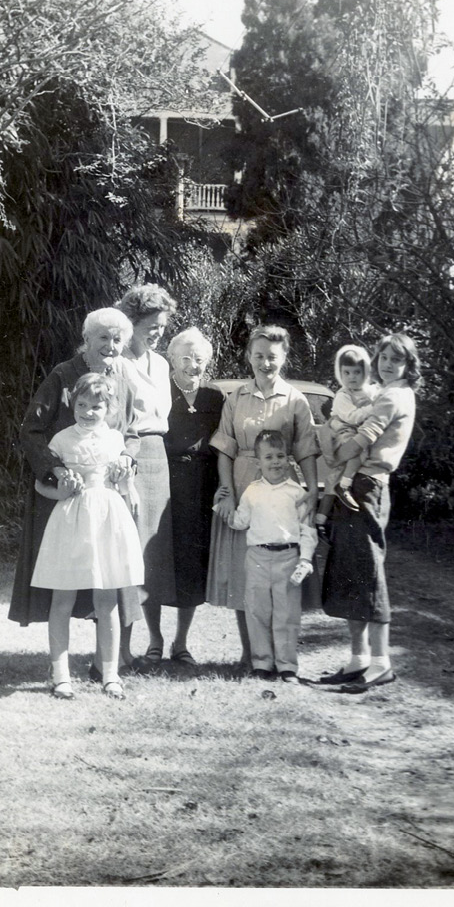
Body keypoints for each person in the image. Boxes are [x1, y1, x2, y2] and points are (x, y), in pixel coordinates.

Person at [8, 307, 143, 636]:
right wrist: (54, 469)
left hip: (105, 496)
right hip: (61, 493)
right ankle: (62, 661)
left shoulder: (123, 382)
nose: (110, 345)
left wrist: (126, 456)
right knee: (61, 578)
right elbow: (31, 429)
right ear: (85, 339)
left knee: (108, 576)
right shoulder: (63, 375)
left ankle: (109, 659)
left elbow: (132, 433)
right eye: (103, 338)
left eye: (117, 339)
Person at [207, 324, 319, 666]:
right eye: (258, 356)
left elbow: (305, 450)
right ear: (249, 357)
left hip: (281, 493)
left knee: (280, 574)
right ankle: (251, 653)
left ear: (283, 357)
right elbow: (224, 448)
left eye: (272, 356)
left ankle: (280, 654)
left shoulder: (295, 399)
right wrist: (226, 494)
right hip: (244, 489)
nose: (265, 363)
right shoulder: (236, 398)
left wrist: (312, 491)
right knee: (247, 572)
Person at [319, 330, 421, 693]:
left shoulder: (394, 396)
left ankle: (381, 664)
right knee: (351, 569)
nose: (388, 365)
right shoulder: (385, 393)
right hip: (358, 484)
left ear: (409, 365)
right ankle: (359, 659)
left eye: (397, 359)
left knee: (368, 571)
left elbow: (362, 440)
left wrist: (332, 446)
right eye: (384, 358)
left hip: (368, 485)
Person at [31, 374, 144, 700]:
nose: (88, 412)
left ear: (109, 408)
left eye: (96, 406)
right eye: (82, 405)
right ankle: (61, 675)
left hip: (107, 518)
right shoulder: (61, 440)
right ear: (72, 403)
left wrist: (125, 481)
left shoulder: (115, 442)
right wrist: (61, 489)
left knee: (106, 600)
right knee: (62, 599)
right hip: (71, 518)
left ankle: (111, 674)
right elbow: (42, 485)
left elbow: (123, 488)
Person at [219, 430, 317, 682]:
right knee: (257, 611)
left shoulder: (296, 493)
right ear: (258, 462)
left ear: (288, 460)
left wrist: (305, 559)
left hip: (288, 558)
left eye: (280, 456)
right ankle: (261, 663)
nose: (275, 462)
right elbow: (240, 522)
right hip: (257, 559)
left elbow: (307, 529)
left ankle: (287, 666)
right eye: (269, 457)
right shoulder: (252, 491)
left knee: (286, 615)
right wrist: (221, 505)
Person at [116, 283, 177, 671]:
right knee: (126, 553)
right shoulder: (118, 361)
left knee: (152, 554)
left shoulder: (162, 363)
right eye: (150, 325)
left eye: (162, 326)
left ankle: (154, 641)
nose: (156, 332)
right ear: (132, 322)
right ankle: (120, 648)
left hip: (159, 459)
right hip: (130, 455)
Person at [155, 328, 224, 665]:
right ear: (172, 359)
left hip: (201, 490)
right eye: (186, 358)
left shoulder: (215, 398)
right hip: (163, 483)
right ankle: (155, 640)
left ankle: (180, 643)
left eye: (199, 359)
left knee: (191, 568)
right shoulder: (159, 391)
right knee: (155, 559)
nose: (193, 365)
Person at [316, 344, 378, 520]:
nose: (352, 377)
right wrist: (372, 409)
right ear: (340, 373)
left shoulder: (368, 390)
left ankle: (321, 517)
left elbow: (378, 395)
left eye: (357, 372)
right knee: (357, 449)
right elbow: (351, 417)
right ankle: (345, 485)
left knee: (337, 473)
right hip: (342, 428)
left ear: (365, 372)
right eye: (347, 373)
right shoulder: (342, 395)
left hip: (354, 427)